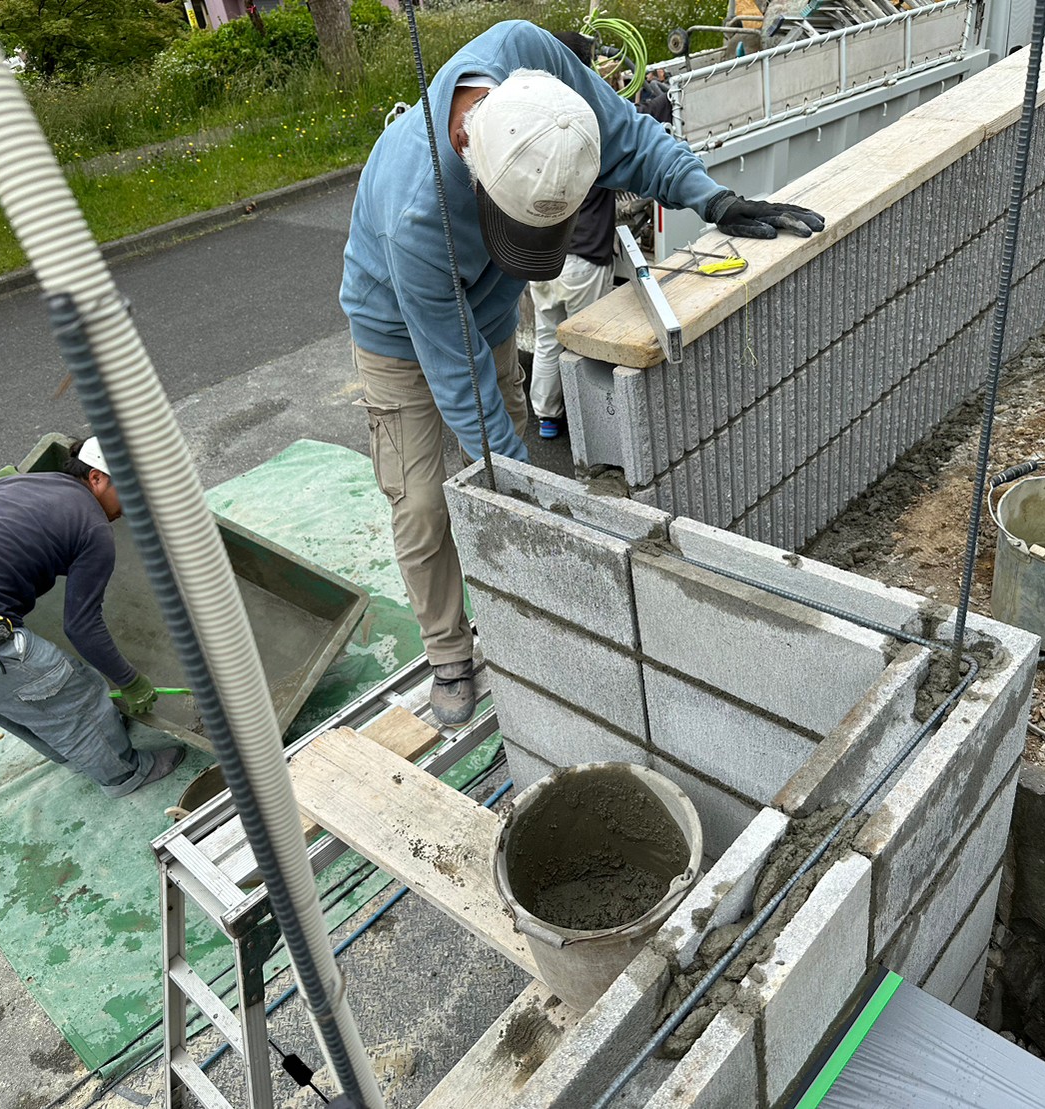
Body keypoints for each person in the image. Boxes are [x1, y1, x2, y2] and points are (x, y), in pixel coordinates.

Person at [340, 19, 824, 725]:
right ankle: (450, 650)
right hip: (399, 331)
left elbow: (627, 133)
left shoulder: (529, 60)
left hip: (486, 298)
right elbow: (456, 374)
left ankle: (521, 607)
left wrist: (709, 197)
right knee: (422, 500)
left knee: (505, 445)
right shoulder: (418, 212)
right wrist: (534, 502)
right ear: (471, 161)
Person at [0, 437, 182, 796]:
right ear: (96, 479)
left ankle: (80, 756)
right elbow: (82, 626)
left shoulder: (14, 482)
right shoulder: (94, 527)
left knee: (7, 702)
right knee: (80, 691)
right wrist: (130, 681)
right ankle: (125, 774)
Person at [527, 31, 623, 442]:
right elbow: (632, 137)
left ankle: (547, 415)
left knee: (549, 336)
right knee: (587, 342)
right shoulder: (588, 120)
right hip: (583, 255)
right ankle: (593, 427)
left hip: (540, 255)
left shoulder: (536, 117)